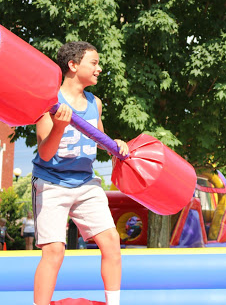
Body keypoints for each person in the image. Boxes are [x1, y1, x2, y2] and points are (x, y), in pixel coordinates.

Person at [31, 41, 129, 305]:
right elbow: (45, 154)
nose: (99, 69)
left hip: (86, 182)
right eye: (94, 63)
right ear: (73, 65)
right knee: (54, 251)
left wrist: (114, 144)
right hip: (52, 183)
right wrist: (60, 128)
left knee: (111, 241)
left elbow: (97, 135)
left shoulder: (94, 103)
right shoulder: (49, 102)